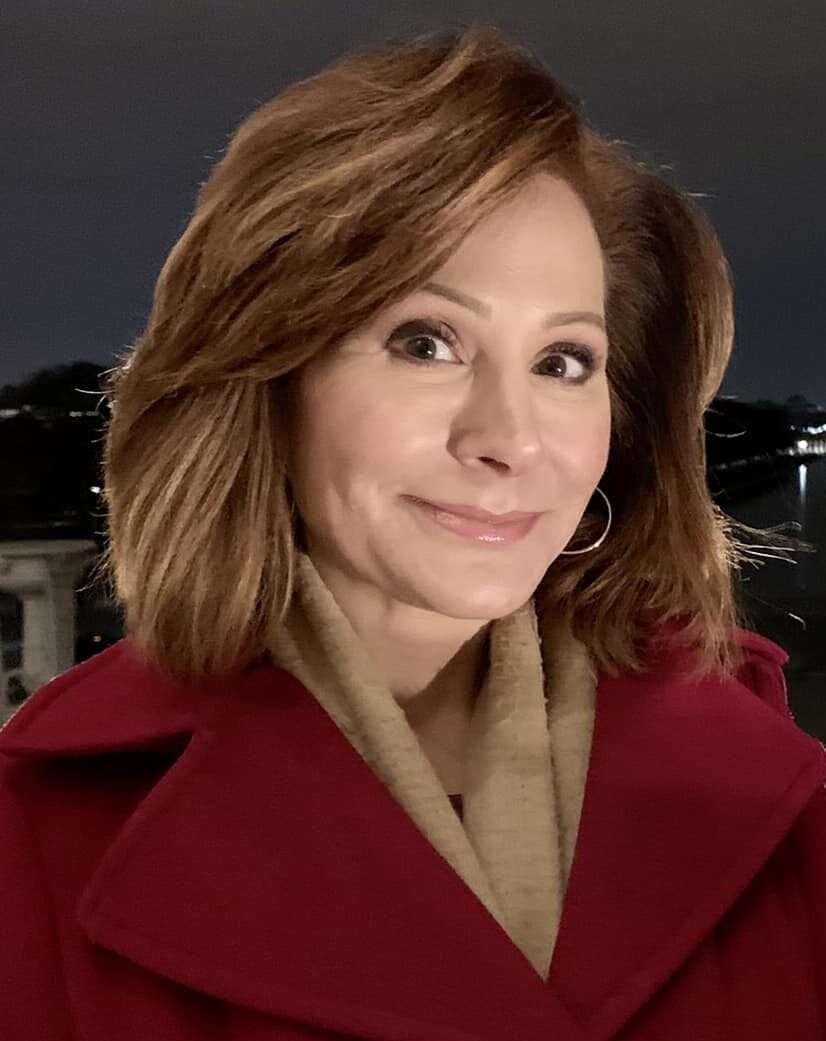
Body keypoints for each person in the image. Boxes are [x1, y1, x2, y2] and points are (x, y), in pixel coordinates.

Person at [1, 22, 824, 1041]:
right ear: (269, 379)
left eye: (562, 362)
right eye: (425, 342)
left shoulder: (772, 791)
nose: (508, 438)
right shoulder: (37, 840)